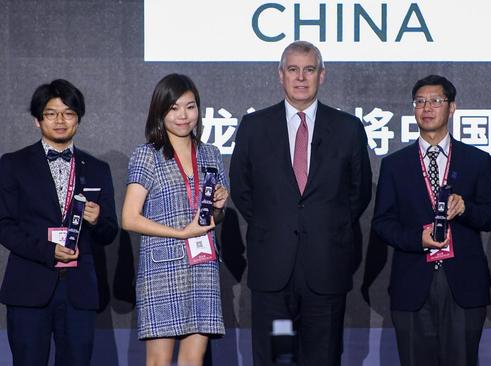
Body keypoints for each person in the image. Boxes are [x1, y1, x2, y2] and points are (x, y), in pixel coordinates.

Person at [229, 40, 372, 365]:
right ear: (281, 75)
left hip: (326, 269)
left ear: (322, 75)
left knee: (322, 357)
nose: (301, 77)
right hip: (274, 275)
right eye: (293, 69)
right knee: (279, 357)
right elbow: (242, 189)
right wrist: (277, 221)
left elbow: (358, 192)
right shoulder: (255, 127)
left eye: (309, 69)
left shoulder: (347, 129)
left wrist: (323, 224)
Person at [372, 74, 491, 366]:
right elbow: (382, 223)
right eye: (420, 102)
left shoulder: (476, 160)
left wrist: (466, 208)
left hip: (463, 285)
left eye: (435, 101)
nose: (427, 107)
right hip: (412, 283)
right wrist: (417, 239)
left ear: (452, 107)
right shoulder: (395, 164)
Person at [0, 79, 118, 365]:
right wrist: (48, 250)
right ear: (37, 121)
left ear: (78, 118)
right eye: (51, 113)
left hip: (79, 291)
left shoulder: (98, 169)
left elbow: (109, 232)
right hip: (29, 287)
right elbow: (4, 225)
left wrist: (98, 218)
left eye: (68, 113)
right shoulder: (13, 164)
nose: (60, 120)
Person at [121, 73, 229, 365]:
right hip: (162, 268)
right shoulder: (147, 155)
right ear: (160, 111)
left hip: (203, 265)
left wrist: (219, 206)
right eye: (174, 108)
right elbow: (129, 218)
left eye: (190, 106)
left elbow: (211, 217)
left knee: (193, 361)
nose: (183, 115)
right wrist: (181, 233)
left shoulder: (211, 154)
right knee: (158, 361)